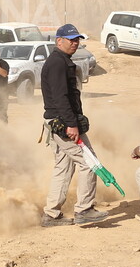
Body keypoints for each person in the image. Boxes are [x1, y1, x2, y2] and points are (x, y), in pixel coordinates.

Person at [41, 24, 108, 226]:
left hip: (59, 121)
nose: (75, 43)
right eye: (71, 39)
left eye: (77, 39)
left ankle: (51, 214)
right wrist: (71, 124)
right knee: (89, 163)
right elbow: (61, 97)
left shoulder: (61, 61)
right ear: (58, 40)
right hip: (63, 123)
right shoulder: (57, 63)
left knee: (63, 167)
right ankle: (84, 210)